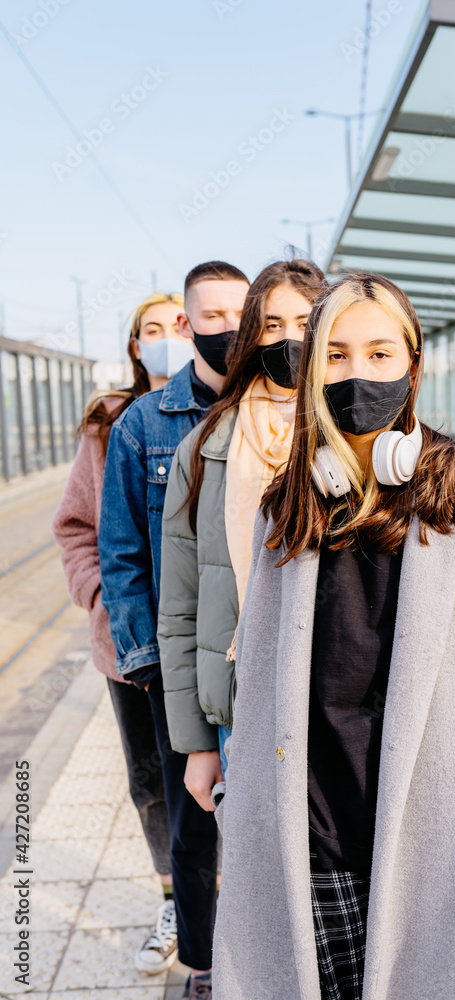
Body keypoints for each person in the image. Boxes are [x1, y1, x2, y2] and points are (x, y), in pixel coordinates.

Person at [211, 272, 455, 1000]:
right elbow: (259, 676)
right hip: (308, 846)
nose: (355, 374)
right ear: (311, 372)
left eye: (378, 354)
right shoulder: (288, 508)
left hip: (440, 855)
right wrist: (239, 809)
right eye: (334, 355)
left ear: (412, 365)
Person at [99, 261, 249, 1000]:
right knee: (195, 820)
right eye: (212, 315)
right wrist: (148, 664)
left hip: (259, 656)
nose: (231, 328)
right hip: (180, 660)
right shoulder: (143, 425)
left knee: (265, 811)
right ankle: (202, 966)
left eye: (240, 313)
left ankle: (263, 952)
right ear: (188, 323)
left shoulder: (273, 407)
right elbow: (120, 553)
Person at [52, 291, 191, 974]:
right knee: (149, 780)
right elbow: (75, 525)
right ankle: (175, 898)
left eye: (182, 326)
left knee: (213, 772)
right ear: (135, 347)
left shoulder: (222, 411)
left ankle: (218, 898)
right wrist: (98, 598)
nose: (169, 339)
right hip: (126, 645)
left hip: (204, 640)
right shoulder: (109, 424)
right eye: (153, 331)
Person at [157, 259, 326, 814]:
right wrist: (198, 743)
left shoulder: (360, 437)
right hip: (242, 703)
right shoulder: (204, 449)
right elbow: (181, 604)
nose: (287, 339)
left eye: (304, 322)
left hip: (341, 703)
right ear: (251, 335)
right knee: (258, 880)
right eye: (272, 325)